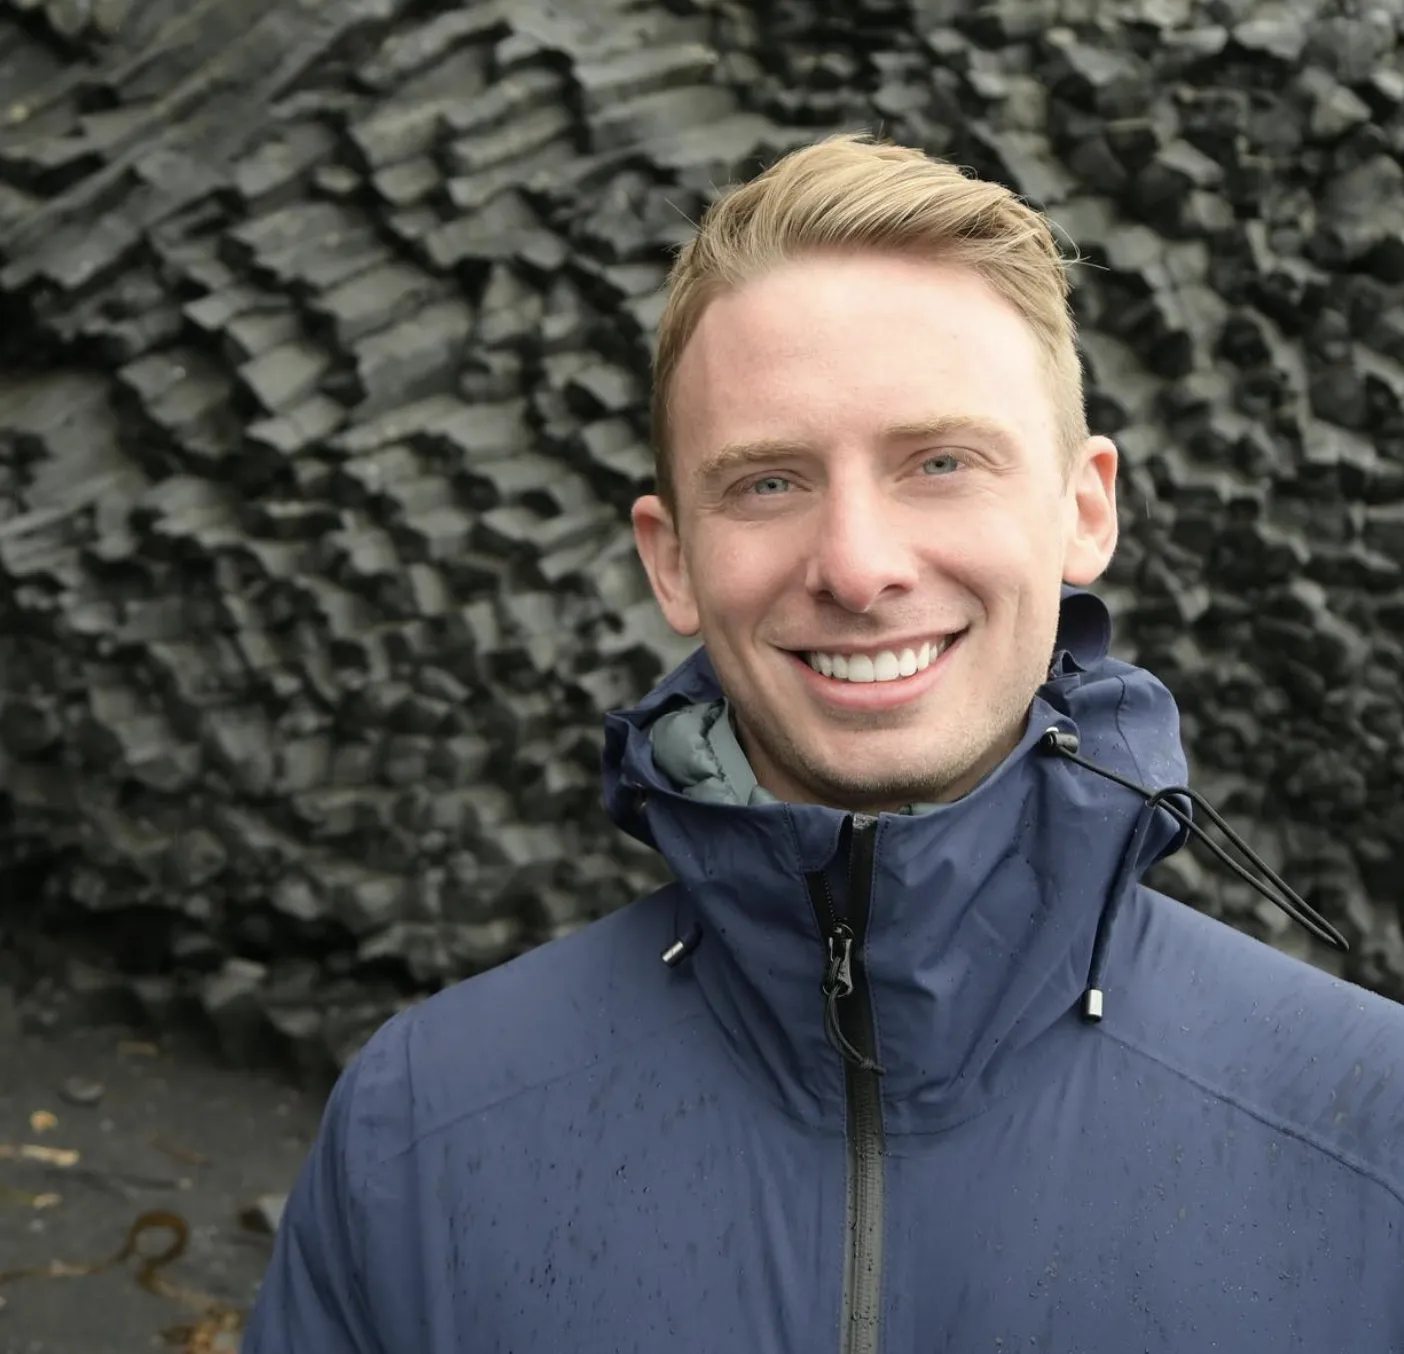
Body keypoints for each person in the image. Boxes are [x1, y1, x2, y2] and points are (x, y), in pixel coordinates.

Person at [243, 134, 1404, 1354]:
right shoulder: (420, 1129)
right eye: (768, 482)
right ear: (671, 560)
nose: (856, 566)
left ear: (1084, 507)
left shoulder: (1373, 1128)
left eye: (940, 462)